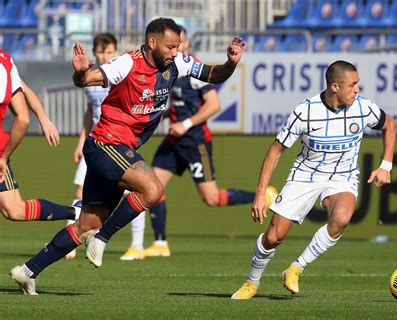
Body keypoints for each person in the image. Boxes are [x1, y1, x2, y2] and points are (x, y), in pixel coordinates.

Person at [11, 17, 246, 295]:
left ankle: (27, 271)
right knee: (153, 188)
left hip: (116, 149)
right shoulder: (126, 63)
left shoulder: (178, 63)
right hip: (106, 144)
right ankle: (104, 237)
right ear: (152, 42)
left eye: (177, 46)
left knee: (86, 224)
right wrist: (80, 72)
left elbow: (213, 74)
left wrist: (231, 63)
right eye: (170, 46)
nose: (175, 52)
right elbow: (86, 80)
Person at [231, 60, 397, 299]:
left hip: (342, 177)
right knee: (274, 237)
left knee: (341, 218)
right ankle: (252, 282)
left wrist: (386, 165)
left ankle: (296, 268)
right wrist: (260, 193)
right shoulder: (305, 112)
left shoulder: (363, 108)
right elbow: (276, 150)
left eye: (358, 84)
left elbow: (389, 124)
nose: (358, 89)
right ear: (335, 87)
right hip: (305, 176)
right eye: (353, 85)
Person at [120, 28, 272, 260]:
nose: (174, 46)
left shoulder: (194, 70)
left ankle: (264, 196)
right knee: (150, 189)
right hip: (174, 141)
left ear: (185, 42)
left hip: (195, 142)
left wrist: (186, 123)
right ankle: (160, 243)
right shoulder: (167, 70)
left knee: (212, 198)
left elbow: (214, 105)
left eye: (178, 42)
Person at [0, 49, 78, 226]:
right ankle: (78, 213)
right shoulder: (4, 63)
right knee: (14, 209)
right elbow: (24, 117)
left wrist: (43, 119)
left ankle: (78, 213)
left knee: (14, 209)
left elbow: (23, 114)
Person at [65, 33, 119, 260]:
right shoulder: (90, 80)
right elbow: (89, 113)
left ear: (115, 52)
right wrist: (80, 142)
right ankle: (70, 241)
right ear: (95, 52)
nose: (105, 55)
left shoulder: (119, 74)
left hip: (116, 142)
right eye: (101, 51)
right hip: (93, 144)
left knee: (133, 193)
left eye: (109, 52)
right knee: (79, 191)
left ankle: (137, 245)